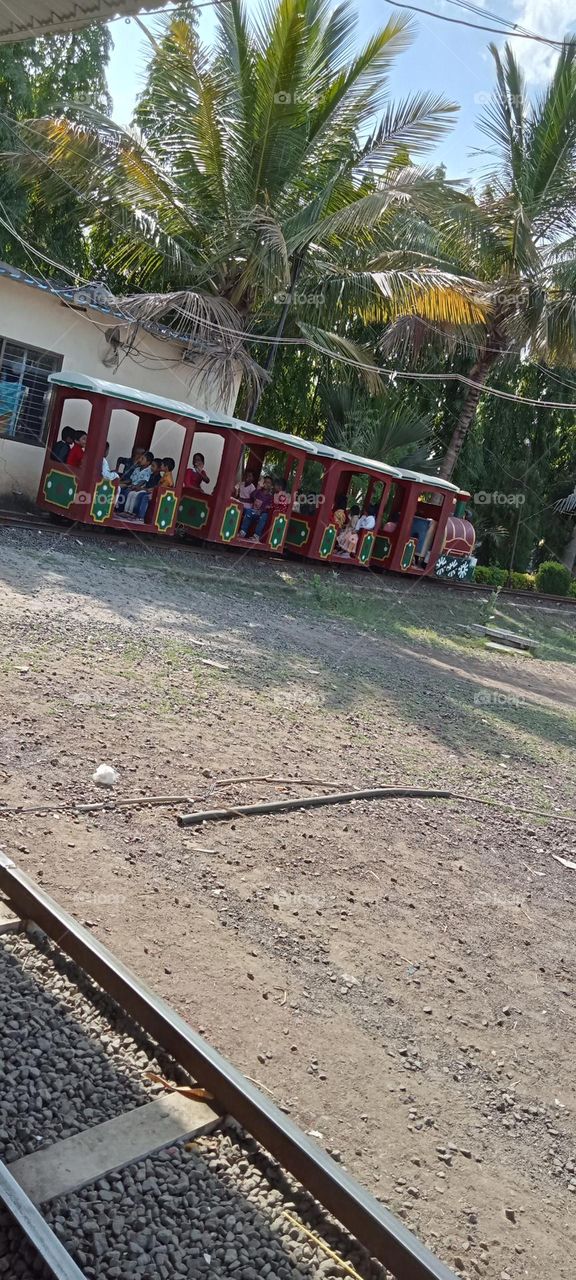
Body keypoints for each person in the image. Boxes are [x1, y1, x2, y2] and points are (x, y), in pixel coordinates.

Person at [132, 456, 175, 522]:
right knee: (141, 495)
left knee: (145, 497)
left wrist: (151, 490)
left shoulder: (167, 478)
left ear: (166, 467)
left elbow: (161, 488)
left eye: (162, 465)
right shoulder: (165, 475)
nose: (161, 466)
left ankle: (141, 517)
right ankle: (135, 513)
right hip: (157, 492)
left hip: (161, 496)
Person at [117, 450, 154, 514]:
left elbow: (143, 481)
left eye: (142, 459)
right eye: (140, 458)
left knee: (126, 493)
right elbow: (131, 480)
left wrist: (136, 486)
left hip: (139, 488)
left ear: (148, 462)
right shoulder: (137, 469)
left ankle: (125, 511)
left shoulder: (148, 471)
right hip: (131, 486)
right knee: (121, 489)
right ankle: (119, 509)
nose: (140, 460)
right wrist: (121, 481)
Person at [239, 475, 274, 541]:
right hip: (254, 511)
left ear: (271, 485)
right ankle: (243, 532)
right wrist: (258, 488)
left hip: (262, 514)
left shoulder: (270, 496)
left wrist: (261, 511)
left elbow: (268, 507)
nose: (266, 484)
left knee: (264, 515)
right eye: (265, 482)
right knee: (248, 511)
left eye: (268, 482)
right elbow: (252, 495)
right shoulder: (259, 491)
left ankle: (256, 536)